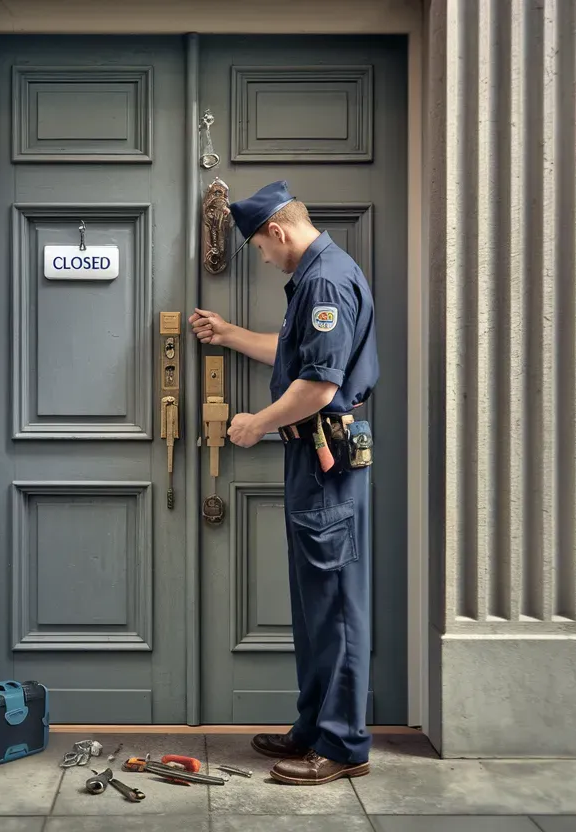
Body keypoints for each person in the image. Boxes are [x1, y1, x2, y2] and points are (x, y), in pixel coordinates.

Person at [190, 180, 378, 786]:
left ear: (276, 230)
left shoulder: (325, 280)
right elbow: (293, 355)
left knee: (337, 608)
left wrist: (254, 424)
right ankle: (314, 728)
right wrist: (226, 334)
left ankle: (345, 744)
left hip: (327, 461)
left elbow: (319, 386)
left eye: (259, 248)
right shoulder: (318, 276)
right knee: (314, 608)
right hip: (314, 461)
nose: (263, 259)